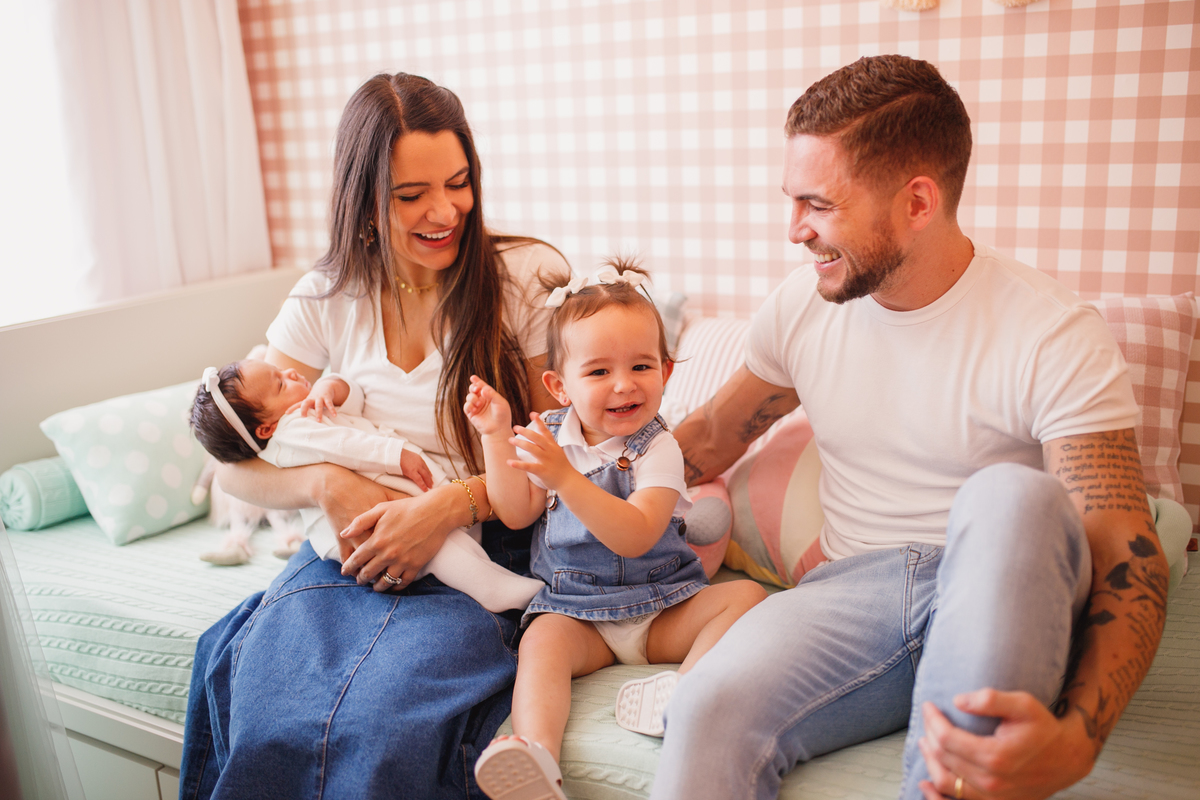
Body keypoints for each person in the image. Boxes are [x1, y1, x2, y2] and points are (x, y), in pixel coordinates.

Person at [652, 55, 1169, 800]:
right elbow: (706, 438)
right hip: (853, 592)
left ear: (918, 201)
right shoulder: (802, 307)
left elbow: (1125, 547)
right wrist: (569, 474)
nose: (795, 230)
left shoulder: (1054, 331)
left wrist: (1081, 736)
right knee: (702, 706)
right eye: (792, 201)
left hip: (999, 587)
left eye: (818, 204)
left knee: (1011, 495)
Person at [179, 72, 571, 799]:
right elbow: (233, 465)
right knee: (267, 703)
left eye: (459, 183)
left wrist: (446, 507)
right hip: (351, 551)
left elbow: (561, 457)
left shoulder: (520, 278)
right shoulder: (327, 295)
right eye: (411, 195)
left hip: (480, 544)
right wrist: (329, 484)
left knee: (379, 722)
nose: (445, 211)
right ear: (362, 199)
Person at [463, 263, 767, 800]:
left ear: (666, 372)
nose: (624, 384)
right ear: (560, 386)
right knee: (540, 641)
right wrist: (495, 434)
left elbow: (638, 534)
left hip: (662, 607)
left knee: (745, 597)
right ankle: (536, 756)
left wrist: (565, 478)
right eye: (599, 371)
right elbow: (515, 513)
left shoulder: (658, 448)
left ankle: (683, 693)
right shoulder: (549, 438)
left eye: (641, 365)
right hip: (578, 614)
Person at [189, 360, 545, 612]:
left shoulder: (304, 410)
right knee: (442, 551)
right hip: (362, 524)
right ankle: (495, 590)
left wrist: (329, 387)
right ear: (265, 428)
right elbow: (344, 446)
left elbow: (355, 398)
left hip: (394, 498)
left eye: (280, 370)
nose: (292, 373)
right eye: (281, 383)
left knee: (437, 536)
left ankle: (488, 578)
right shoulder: (291, 430)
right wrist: (395, 455)